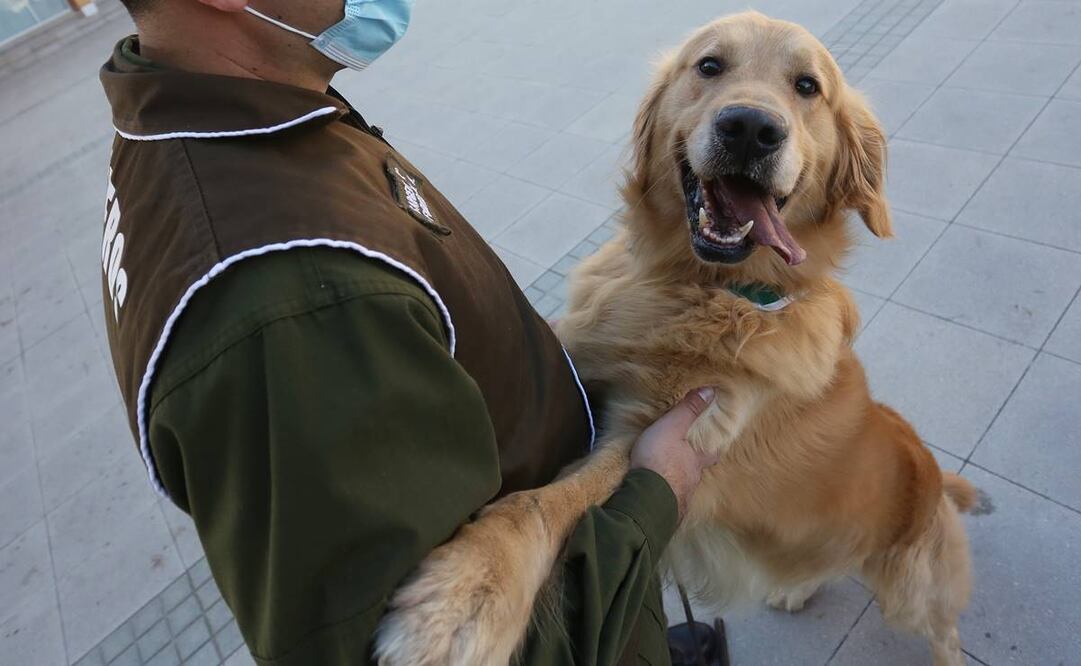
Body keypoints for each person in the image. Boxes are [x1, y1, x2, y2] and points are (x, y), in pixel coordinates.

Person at [98, 1, 719, 664]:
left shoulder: (219, 117)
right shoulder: (294, 302)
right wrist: (652, 499)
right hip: (577, 612)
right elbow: (449, 643)